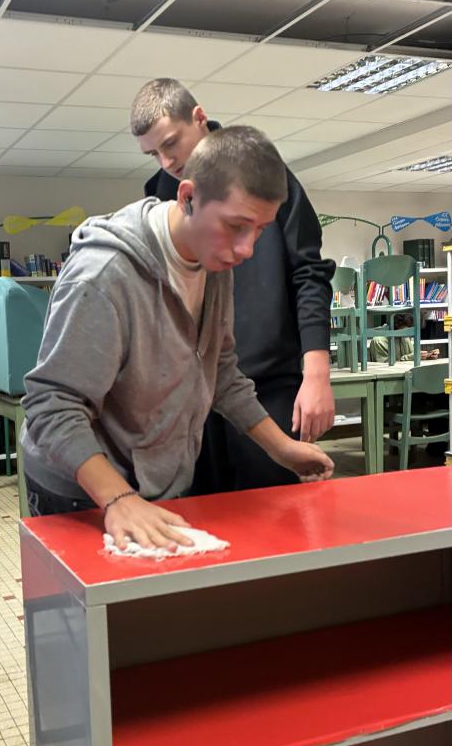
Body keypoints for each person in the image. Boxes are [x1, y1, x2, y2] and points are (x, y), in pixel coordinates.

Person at [21, 126, 334, 552]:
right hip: (81, 490)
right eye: (236, 226)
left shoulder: (212, 261)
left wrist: (281, 448)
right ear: (187, 197)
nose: (247, 249)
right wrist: (117, 498)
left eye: (260, 230)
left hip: (149, 481)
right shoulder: (102, 276)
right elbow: (51, 406)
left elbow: (220, 370)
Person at [130, 78, 335, 492]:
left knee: (273, 514)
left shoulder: (262, 172)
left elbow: (309, 272)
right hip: (196, 393)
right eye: (154, 154)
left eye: (171, 143)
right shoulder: (158, 198)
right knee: (202, 515)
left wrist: (317, 372)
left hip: (267, 384)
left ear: (199, 118)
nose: (166, 161)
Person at [369, 311, 439, 363]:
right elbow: (384, 367)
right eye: (408, 330)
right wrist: (408, 358)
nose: (410, 335)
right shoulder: (379, 341)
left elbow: (412, 357)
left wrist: (427, 356)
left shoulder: (404, 337)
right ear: (398, 325)